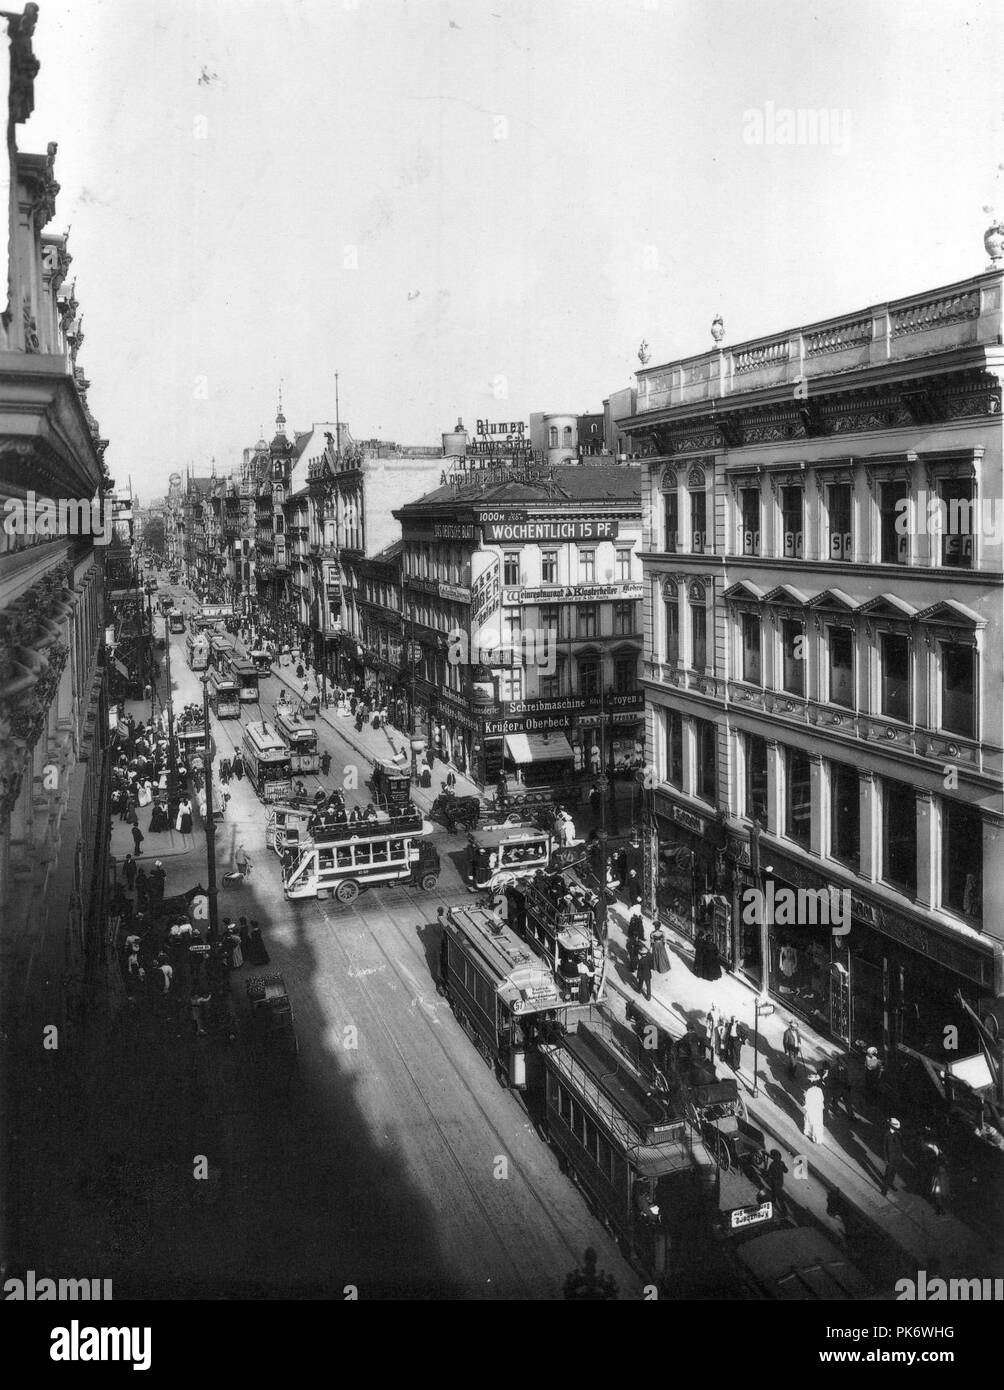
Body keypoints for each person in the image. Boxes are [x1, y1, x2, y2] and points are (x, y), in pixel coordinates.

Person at [880, 1117, 904, 1196]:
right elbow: (884, 1147)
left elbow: (900, 1146)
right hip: (890, 1158)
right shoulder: (886, 1134)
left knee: (894, 1172)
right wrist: (886, 1159)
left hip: (897, 1157)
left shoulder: (898, 1134)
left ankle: (891, 1183)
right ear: (891, 1126)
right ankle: (884, 1189)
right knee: (888, 1174)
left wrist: (900, 1156)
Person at [826, 1054, 855, 1120]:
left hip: (844, 1088)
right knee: (835, 1101)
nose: (846, 1065)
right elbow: (830, 1080)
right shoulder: (833, 1070)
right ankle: (834, 1110)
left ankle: (851, 1115)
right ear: (840, 1063)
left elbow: (847, 1078)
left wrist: (848, 1086)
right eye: (845, 1063)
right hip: (837, 1089)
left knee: (848, 1102)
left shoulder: (845, 1069)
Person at [763, 1150, 789, 1217]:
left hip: (774, 1182)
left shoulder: (772, 1165)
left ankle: (784, 1211)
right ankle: (773, 1202)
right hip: (780, 1182)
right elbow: (786, 1170)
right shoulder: (782, 1163)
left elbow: (769, 1173)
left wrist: (764, 1173)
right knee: (775, 1193)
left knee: (779, 1197)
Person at [803, 1074, 825, 1144]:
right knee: (817, 1123)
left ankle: (808, 1133)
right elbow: (822, 1099)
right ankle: (817, 1138)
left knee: (810, 1121)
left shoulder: (809, 1090)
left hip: (812, 1109)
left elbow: (807, 1100)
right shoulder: (819, 1090)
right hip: (818, 1110)